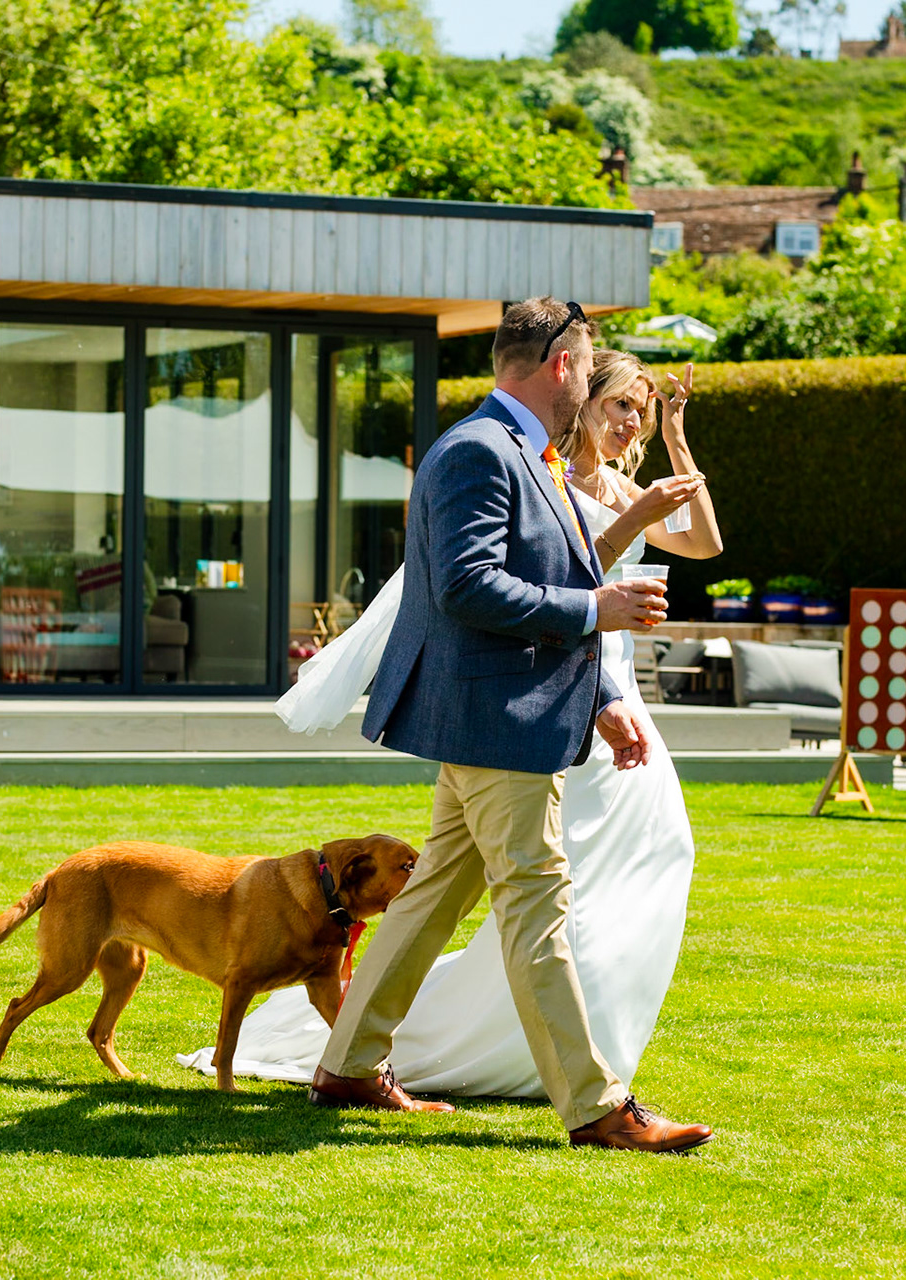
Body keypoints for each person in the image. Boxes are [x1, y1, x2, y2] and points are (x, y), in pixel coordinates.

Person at [179, 318, 720, 1154]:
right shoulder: (481, 450)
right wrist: (595, 611)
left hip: (503, 711)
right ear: (563, 365)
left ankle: (348, 1065)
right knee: (538, 909)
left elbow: (553, 573)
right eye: (587, 373)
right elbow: (471, 588)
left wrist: (605, 687)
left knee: (427, 902)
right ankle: (598, 1108)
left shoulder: (522, 449)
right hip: (501, 718)